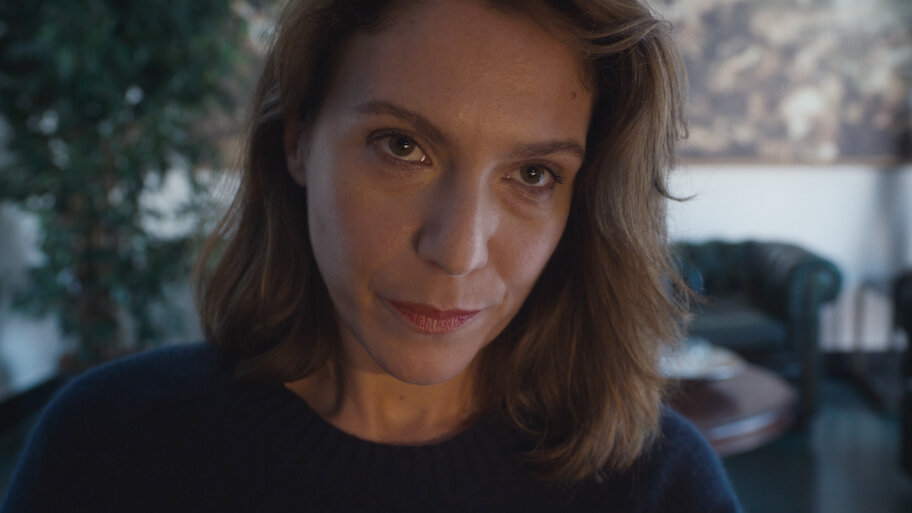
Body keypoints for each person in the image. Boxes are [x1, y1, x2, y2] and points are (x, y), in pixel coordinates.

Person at [1, 0, 742, 511]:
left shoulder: (658, 485)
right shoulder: (109, 447)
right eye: (402, 146)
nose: (458, 252)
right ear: (298, 140)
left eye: (533, 174)